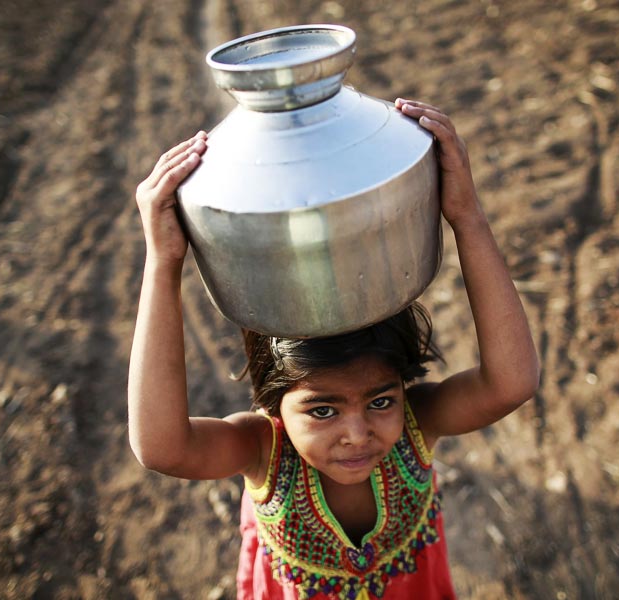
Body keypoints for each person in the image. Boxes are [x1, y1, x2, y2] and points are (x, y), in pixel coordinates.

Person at [129, 99, 540, 599]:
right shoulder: (263, 450)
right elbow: (161, 448)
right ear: (270, 402)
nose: (357, 434)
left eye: (381, 401)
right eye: (322, 409)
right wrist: (163, 262)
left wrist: (467, 216)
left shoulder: (418, 423)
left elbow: (512, 383)